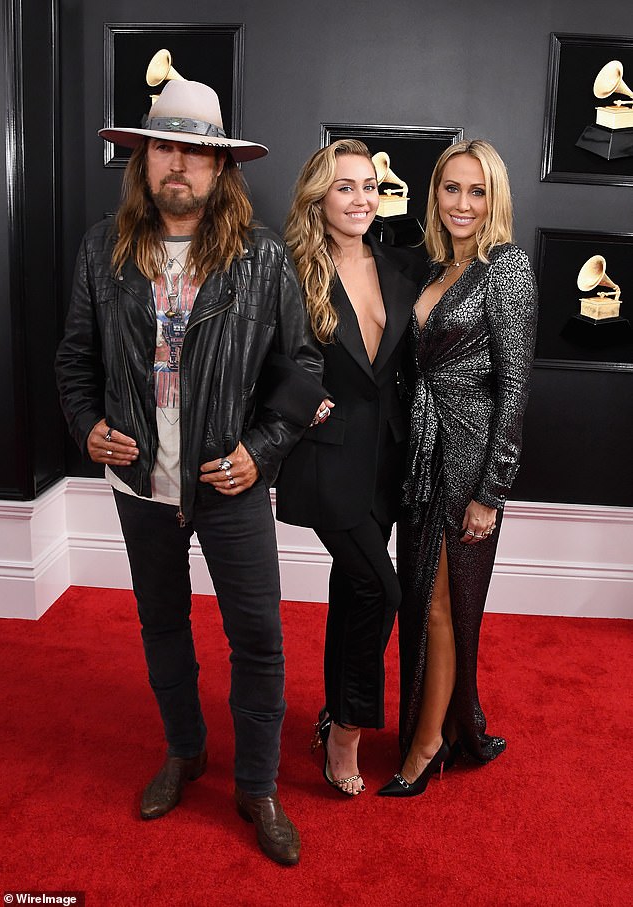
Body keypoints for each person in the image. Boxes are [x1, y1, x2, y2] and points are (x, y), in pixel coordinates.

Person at [55, 78, 325, 864]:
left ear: (220, 168)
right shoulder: (103, 249)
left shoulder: (262, 256)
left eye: (197, 152)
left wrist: (260, 451)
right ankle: (185, 750)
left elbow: (302, 371)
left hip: (227, 482)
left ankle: (258, 782)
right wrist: (88, 426)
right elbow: (76, 359)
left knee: (259, 639)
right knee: (162, 626)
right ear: (143, 160)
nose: (180, 165)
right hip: (141, 486)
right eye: (166, 147)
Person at [377, 139, 537, 797]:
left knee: (443, 604)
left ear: (493, 198)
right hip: (422, 452)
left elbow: (517, 385)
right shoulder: (434, 267)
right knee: (421, 600)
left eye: (477, 191)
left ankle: (427, 742)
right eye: (452, 189)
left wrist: (491, 491)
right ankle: (448, 721)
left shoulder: (507, 268)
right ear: (435, 193)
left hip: (469, 455)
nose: (463, 203)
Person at [276, 140, 424, 795]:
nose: (362, 198)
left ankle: (335, 707)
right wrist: (302, 401)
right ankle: (346, 731)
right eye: (345, 186)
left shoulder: (398, 265)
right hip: (326, 457)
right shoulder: (288, 267)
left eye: (370, 185)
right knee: (382, 590)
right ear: (318, 195)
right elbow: (261, 354)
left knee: (353, 592)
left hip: (386, 461)